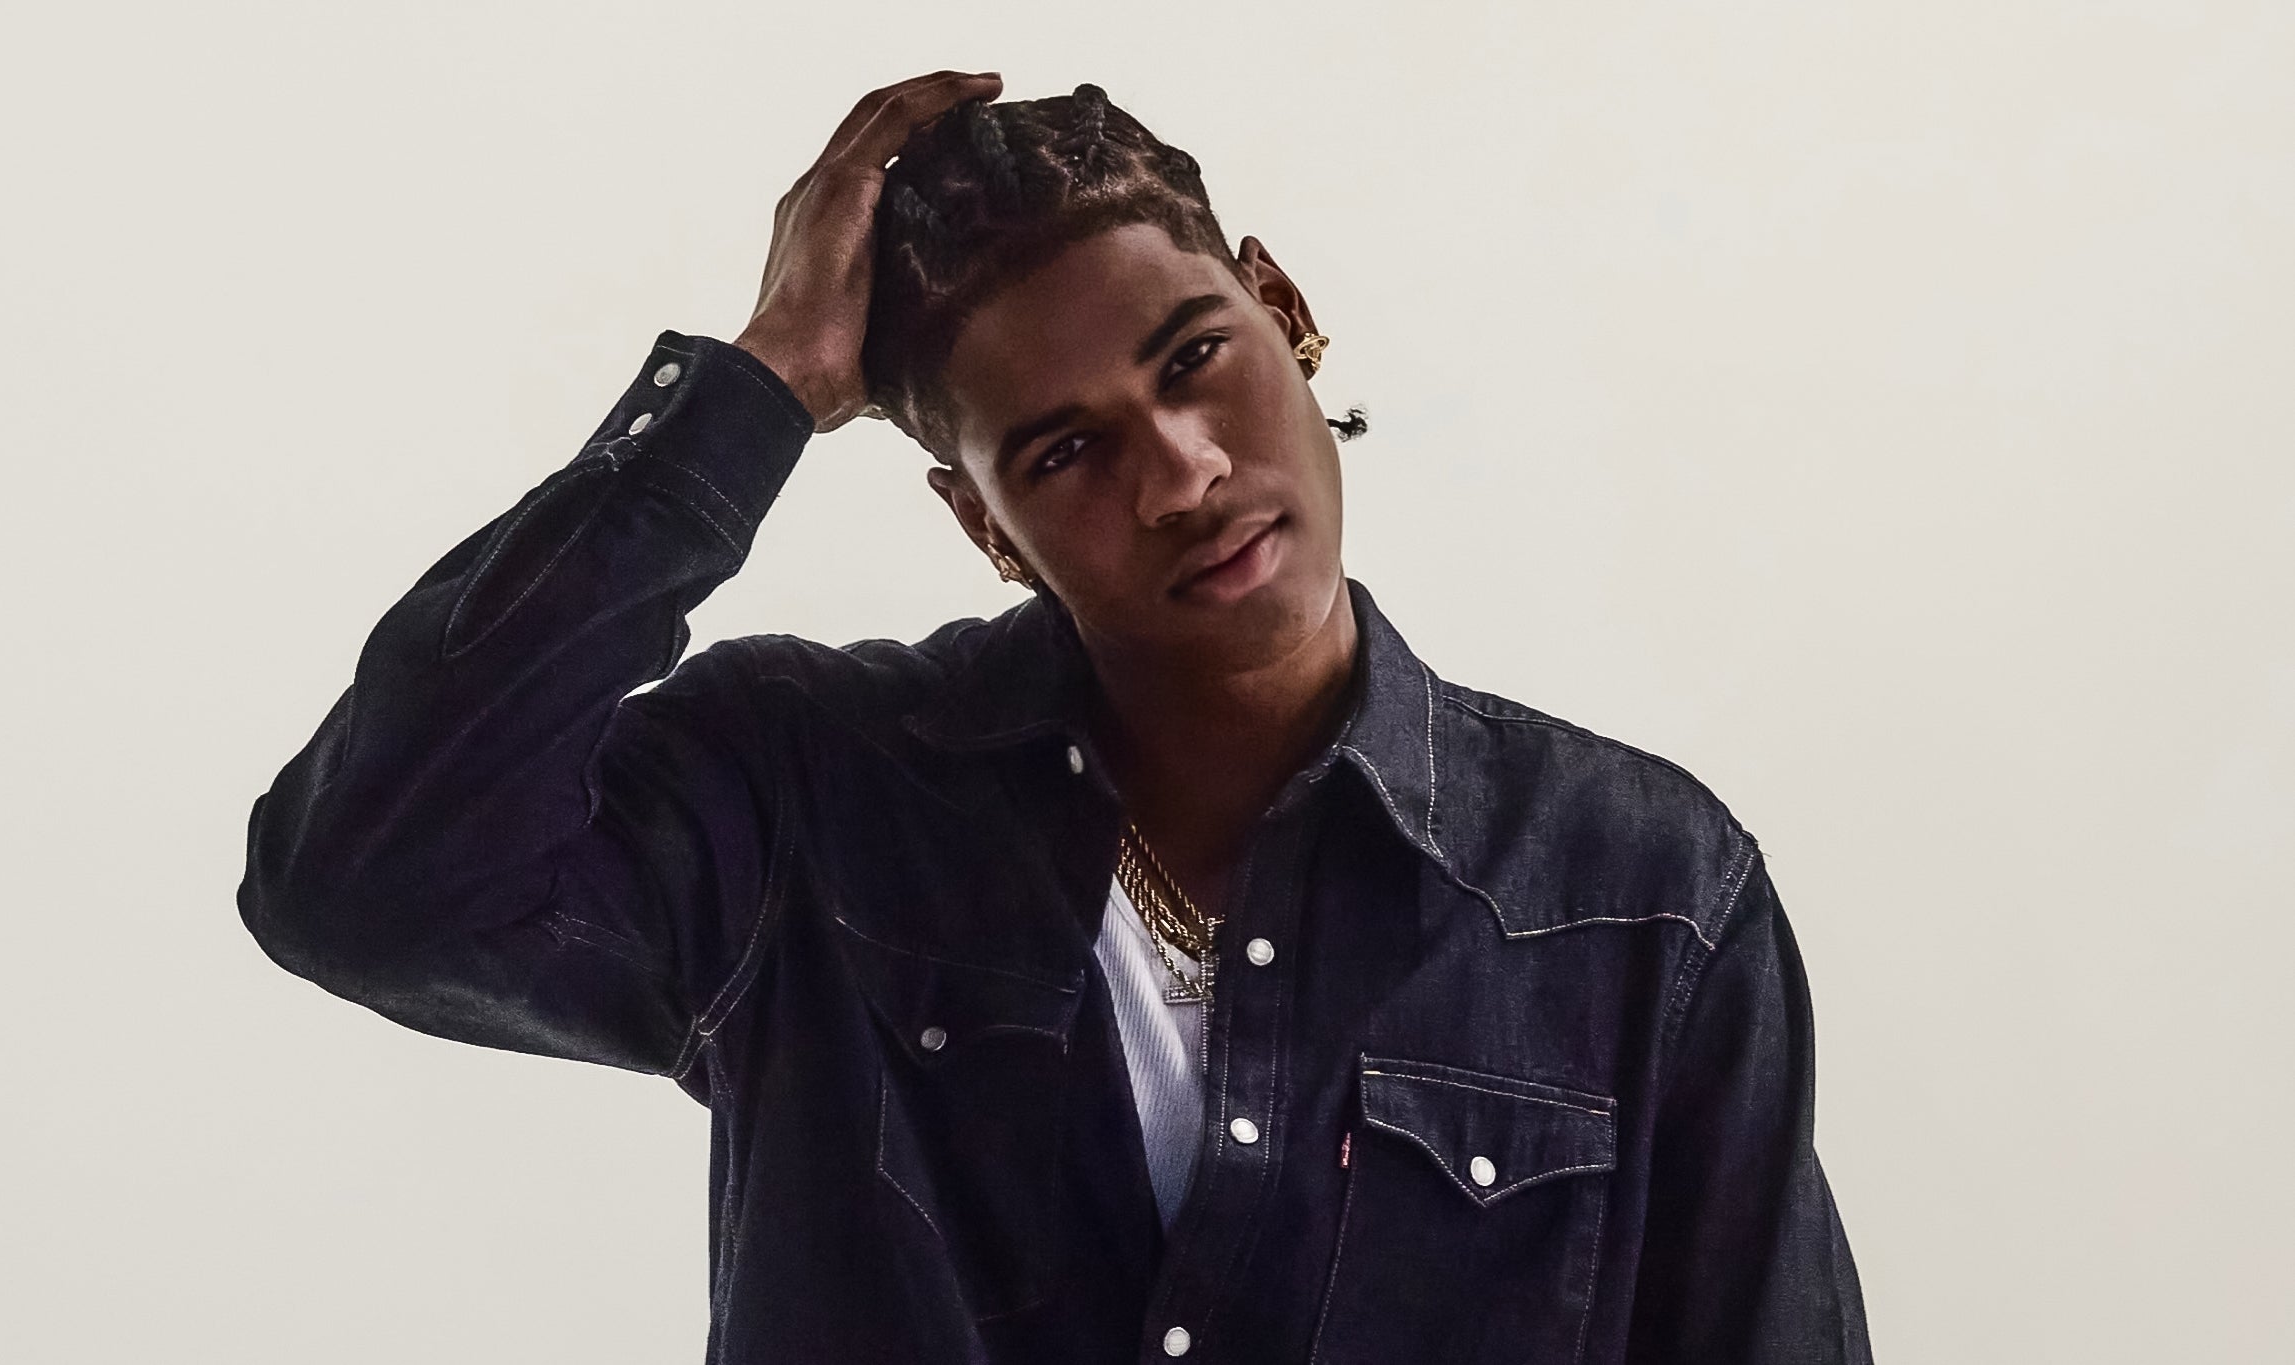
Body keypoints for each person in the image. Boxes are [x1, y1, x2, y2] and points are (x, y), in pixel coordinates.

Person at [238, 69, 1871, 1363]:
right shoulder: (811, 797)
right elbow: (365, 882)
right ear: (981, 522)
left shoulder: (1639, 891)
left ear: (1281, 305)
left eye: (1195, 356)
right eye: (1066, 451)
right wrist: (759, 387)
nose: (1182, 473)